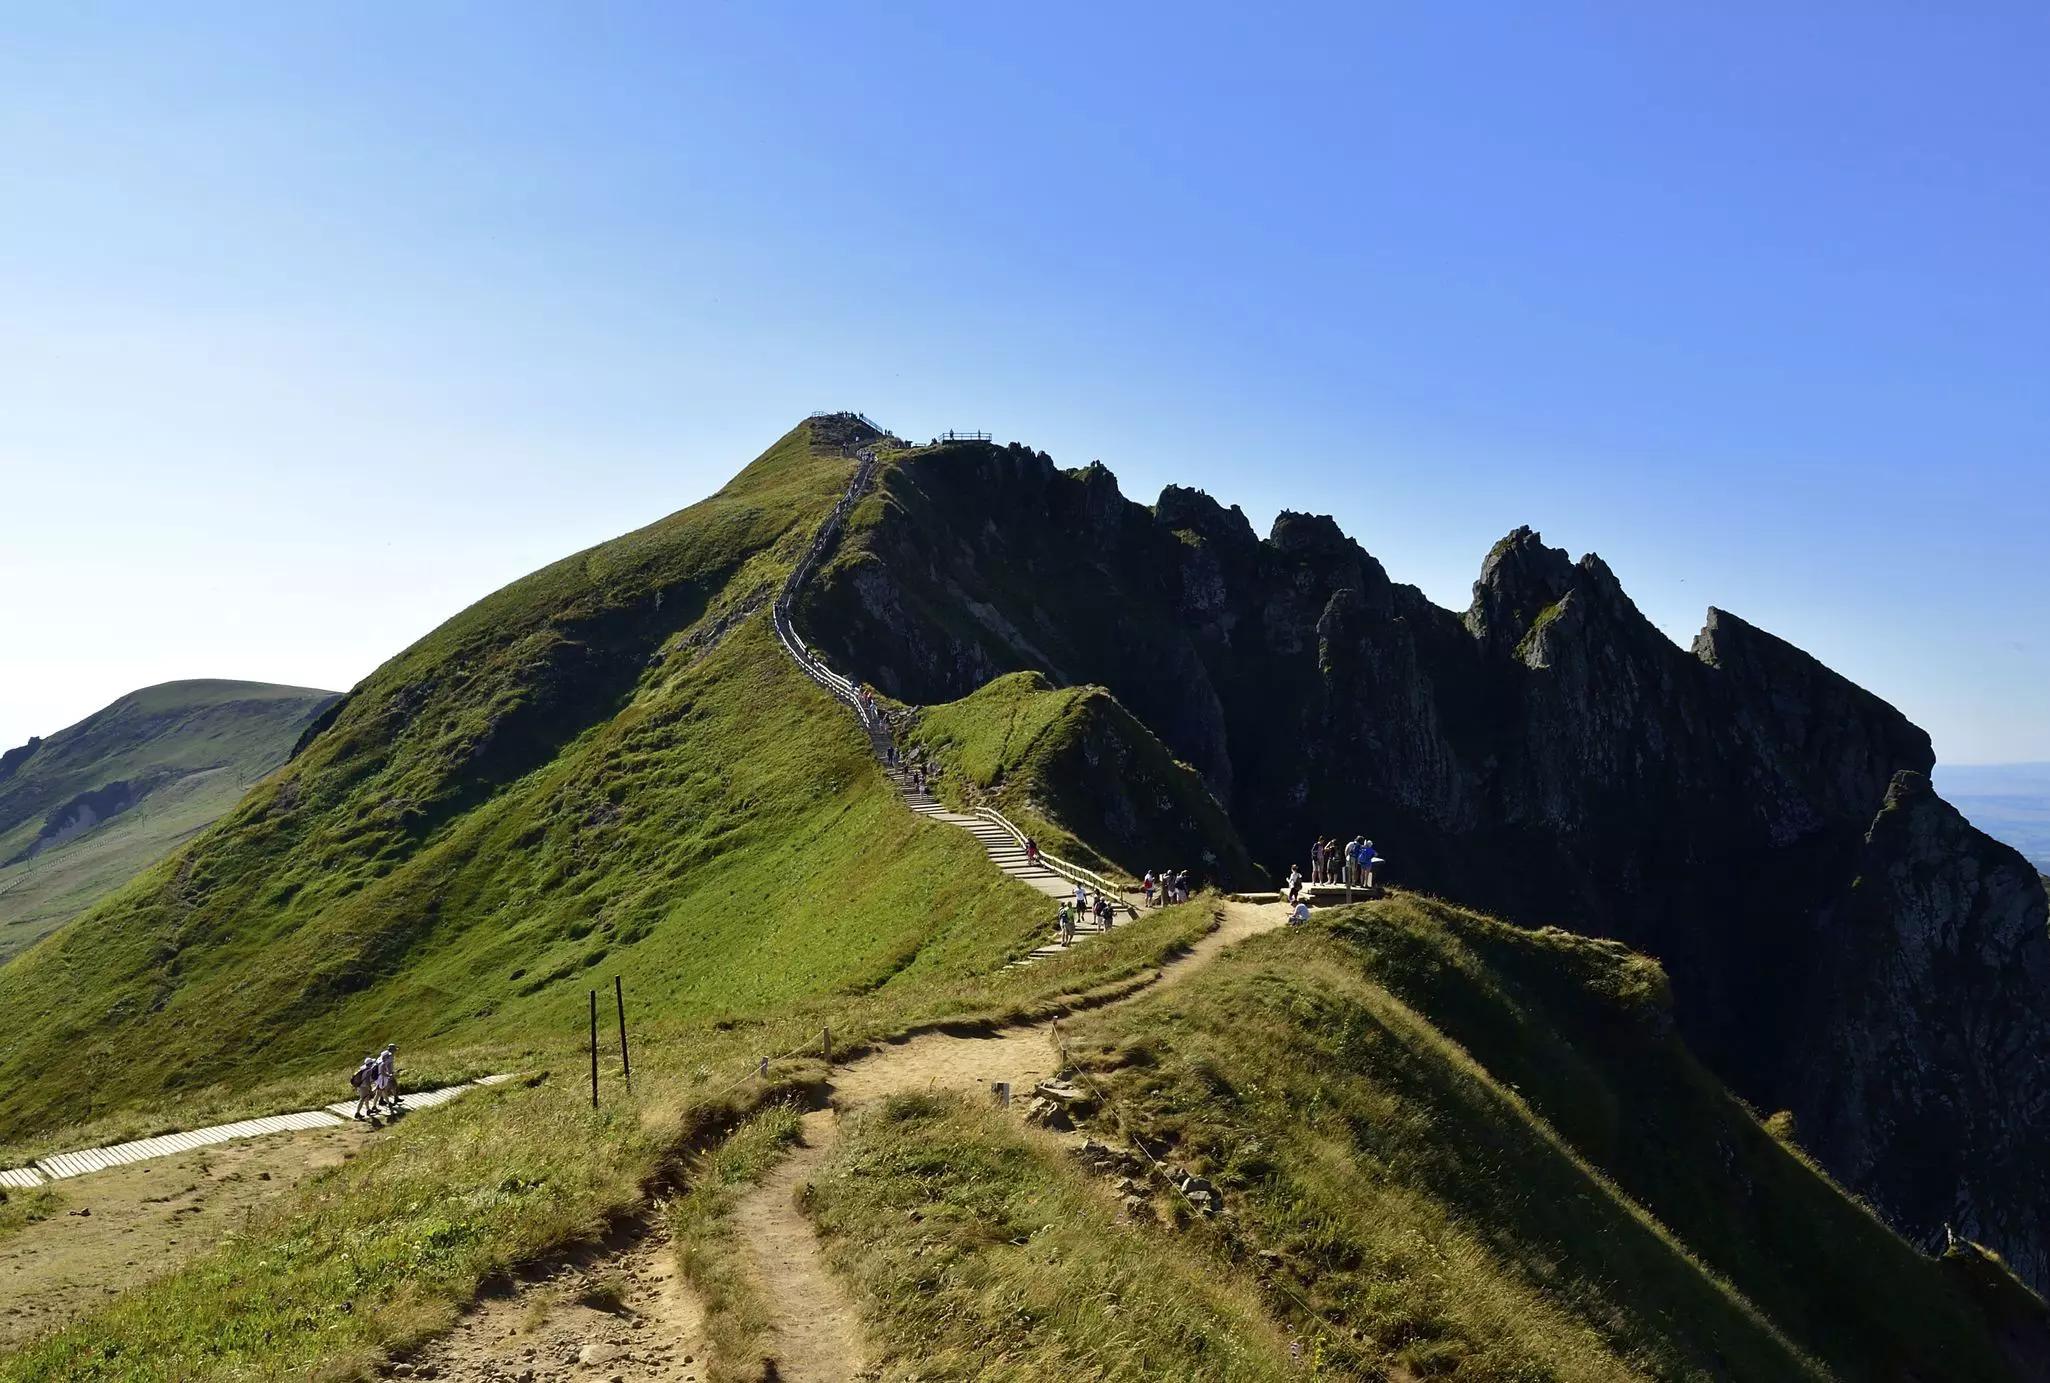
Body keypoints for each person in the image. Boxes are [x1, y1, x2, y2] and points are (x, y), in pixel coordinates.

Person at [349, 1054, 380, 1120]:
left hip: (361, 1086)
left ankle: (368, 1110)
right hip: (364, 1087)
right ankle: (357, 1113)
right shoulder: (368, 1070)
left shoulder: (363, 1068)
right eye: (372, 1063)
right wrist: (369, 1088)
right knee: (362, 1099)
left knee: (366, 1098)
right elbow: (367, 1081)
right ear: (370, 1064)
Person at [375, 1043, 399, 1113]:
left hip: (385, 1074)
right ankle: (386, 1100)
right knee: (389, 1086)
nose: (395, 1051)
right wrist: (390, 1074)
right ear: (392, 1050)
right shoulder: (389, 1056)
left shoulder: (384, 1055)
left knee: (391, 1086)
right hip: (387, 1074)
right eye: (394, 1050)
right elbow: (388, 1065)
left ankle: (390, 1098)